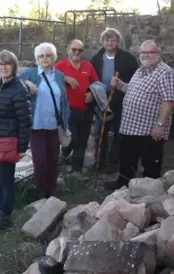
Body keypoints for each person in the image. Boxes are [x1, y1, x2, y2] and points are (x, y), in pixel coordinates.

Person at [104, 40, 174, 190]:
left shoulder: (165, 72)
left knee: (150, 163)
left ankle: (148, 191)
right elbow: (133, 90)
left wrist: (159, 125)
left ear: (158, 53)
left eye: (150, 52)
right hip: (130, 126)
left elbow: (169, 100)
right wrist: (120, 85)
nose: (146, 55)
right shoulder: (140, 70)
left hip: (149, 130)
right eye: (143, 52)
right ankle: (123, 185)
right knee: (127, 159)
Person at [0, 50, 32, 230]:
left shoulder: (19, 89)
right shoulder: (1, 86)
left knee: (6, 180)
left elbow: (25, 121)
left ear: (14, 66)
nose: (4, 67)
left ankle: (5, 217)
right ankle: (1, 209)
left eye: (7, 64)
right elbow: (1, 90)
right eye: (1, 64)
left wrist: (21, 148)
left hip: (7, 142)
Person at [19, 42, 70, 199]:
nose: (45, 58)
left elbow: (64, 101)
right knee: (39, 161)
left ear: (53, 57)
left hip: (54, 125)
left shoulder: (59, 76)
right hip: (36, 125)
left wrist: (66, 123)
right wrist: (26, 82)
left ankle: (52, 191)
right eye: (41, 56)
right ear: (37, 58)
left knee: (53, 160)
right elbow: (13, 83)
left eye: (48, 55)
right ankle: (41, 193)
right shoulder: (30, 73)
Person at [90, 28, 139, 173]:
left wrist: (122, 85)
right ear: (103, 42)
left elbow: (136, 78)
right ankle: (99, 161)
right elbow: (90, 78)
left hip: (121, 101)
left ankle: (113, 162)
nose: (110, 43)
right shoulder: (97, 58)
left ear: (117, 42)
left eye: (113, 40)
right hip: (102, 102)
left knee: (119, 133)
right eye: (107, 40)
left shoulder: (128, 58)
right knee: (100, 132)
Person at [55, 39, 99, 176]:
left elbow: (96, 83)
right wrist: (65, 78)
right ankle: (64, 153)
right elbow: (48, 79)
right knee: (72, 139)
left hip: (86, 109)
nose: (76, 52)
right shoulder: (60, 66)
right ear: (68, 50)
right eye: (74, 49)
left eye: (79, 50)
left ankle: (76, 171)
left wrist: (92, 92)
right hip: (67, 111)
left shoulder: (88, 66)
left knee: (83, 140)